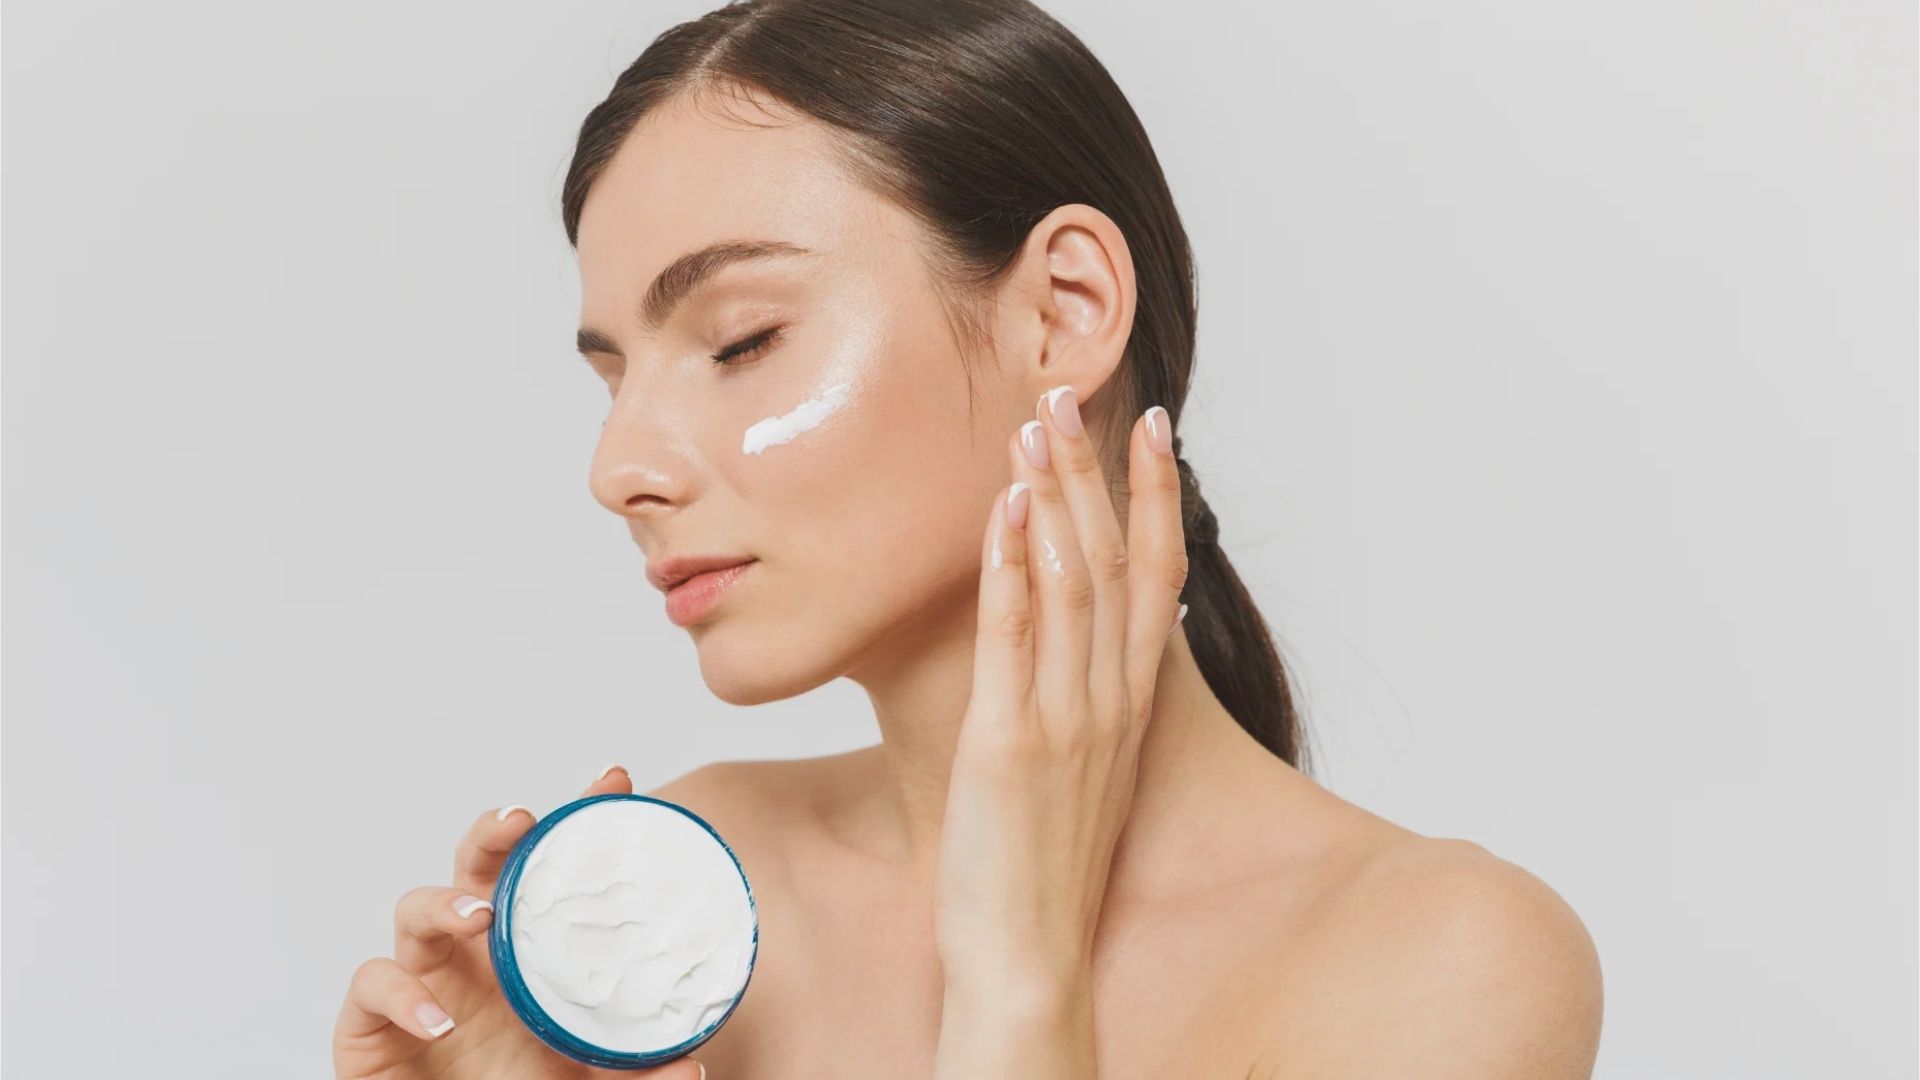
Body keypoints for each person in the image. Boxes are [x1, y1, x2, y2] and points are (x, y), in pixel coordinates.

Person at [333, 1, 1603, 1075]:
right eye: (614, 378)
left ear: (1064, 312)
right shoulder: (695, 914)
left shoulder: (1439, 962)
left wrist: (1015, 977)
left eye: (740, 341)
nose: (620, 471)